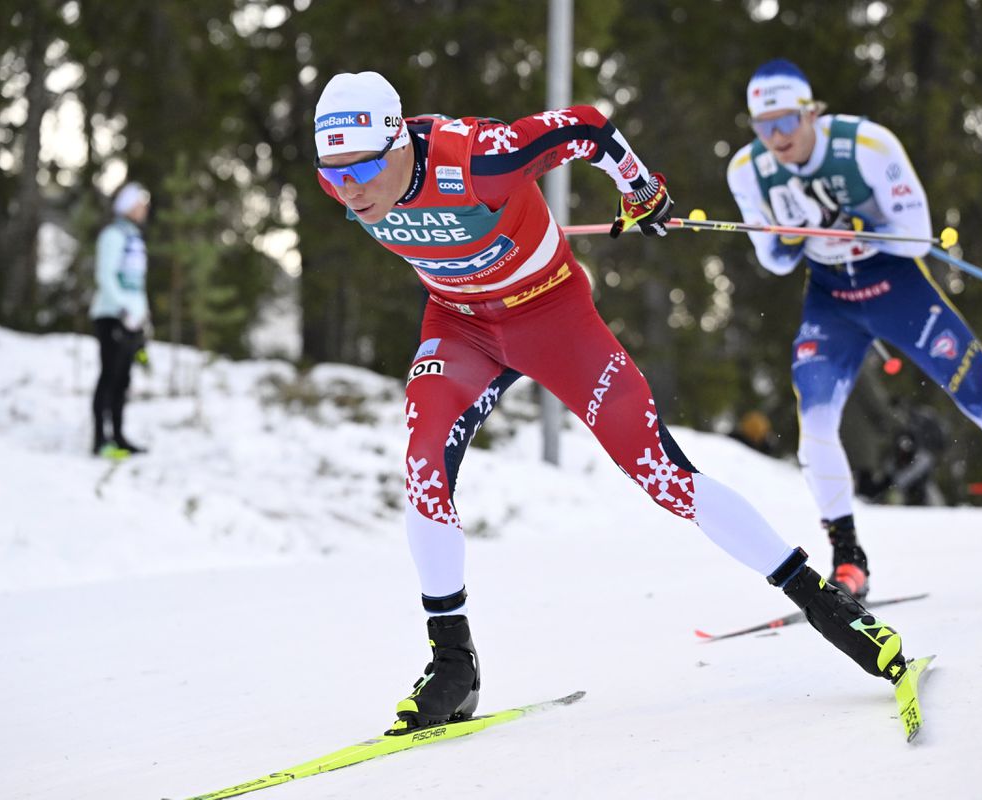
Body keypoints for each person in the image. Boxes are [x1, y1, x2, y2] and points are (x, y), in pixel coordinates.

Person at [311, 71, 912, 733]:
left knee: (660, 473)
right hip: (460, 325)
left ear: (399, 142)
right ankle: (453, 660)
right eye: (332, 176)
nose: (351, 190)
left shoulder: (476, 156)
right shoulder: (353, 183)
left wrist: (641, 188)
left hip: (551, 318)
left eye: (363, 168)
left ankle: (826, 605)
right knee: (423, 466)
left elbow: (586, 126)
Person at [725, 58, 982, 600]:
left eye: (786, 121)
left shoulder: (866, 146)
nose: (776, 138)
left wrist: (863, 227)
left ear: (811, 112)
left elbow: (918, 236)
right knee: (816, 423)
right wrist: (789, 239)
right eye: (763, 127)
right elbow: (775, 261)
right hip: (831, 302)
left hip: (897, 291)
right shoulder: (748, 169)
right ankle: (848, 556)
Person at [90, 181, 151, 457]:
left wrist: (142, 316)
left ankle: (118, 435)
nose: (144, 208)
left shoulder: (135, 238)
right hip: (111, 317)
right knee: (109, 377)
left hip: (132, 320)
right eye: (140, 203)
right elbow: (105, 277)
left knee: (124, 379)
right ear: (128, 205)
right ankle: (100, 440)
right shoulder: (113, 236)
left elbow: (137, 285)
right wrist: (123, 310)